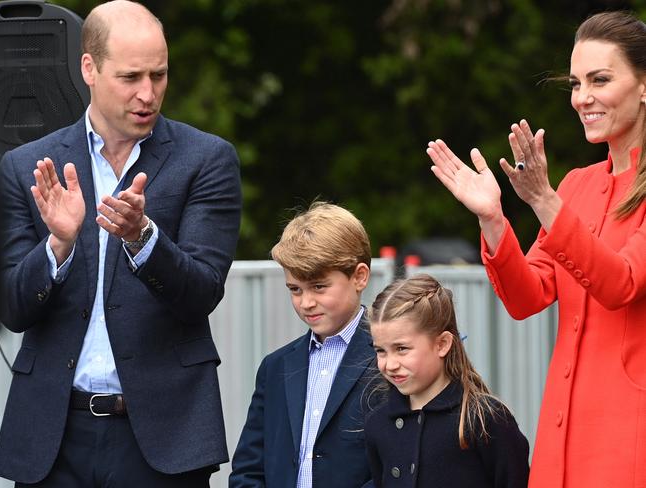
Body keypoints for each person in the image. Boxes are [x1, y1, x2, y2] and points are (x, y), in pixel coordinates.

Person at [0, 1, 241, 486]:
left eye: (159, 75)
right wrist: (58, 246)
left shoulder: (207, 159)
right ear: (89, 67)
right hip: (52, 437)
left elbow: (202, 293)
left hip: (161, 437)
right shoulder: (27, 166)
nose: (148, 94)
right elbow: (12, 309)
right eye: (130, 77)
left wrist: (143, 239)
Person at [426, 10, 646, 488]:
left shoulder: (561, 194)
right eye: (575, 83)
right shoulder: (579, 184)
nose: (582, 97)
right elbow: (527, 297)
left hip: (629, 442)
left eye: (600, 79)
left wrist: (545, 202)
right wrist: (492, 218)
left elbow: (621, 283)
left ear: (644, 85)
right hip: (560, 441)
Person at [229, 202, 376, 488]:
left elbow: (400, 466)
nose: (306, 302)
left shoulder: (390, 360)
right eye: (295, 289)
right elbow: (248, 469)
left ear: (359, 276)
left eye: (319, 287)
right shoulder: (276, 367)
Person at [365, 274, 529, 488]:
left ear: (442, 344)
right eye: (381, 351)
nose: (390, 364)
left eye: (401, 349)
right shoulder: (377, 424)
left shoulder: (485, 419)